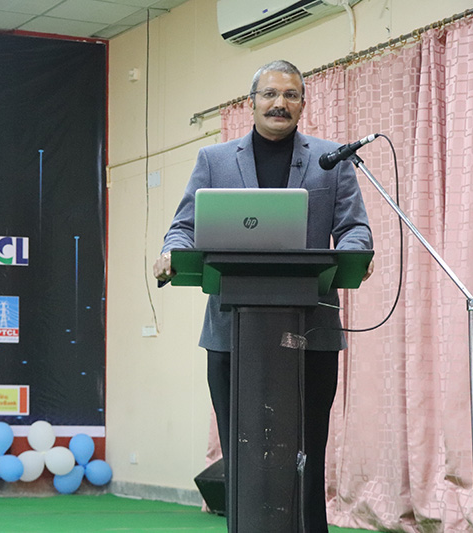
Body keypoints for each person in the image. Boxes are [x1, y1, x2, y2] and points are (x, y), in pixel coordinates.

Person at [153, 60, 374, 532]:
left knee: (307, 451)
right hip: (232, 333)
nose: (280, 103)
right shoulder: (213, 160)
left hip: (311, 331)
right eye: (270, 94)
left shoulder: (331, 160)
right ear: (251, 103)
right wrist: (171, 250)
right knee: (243, 452)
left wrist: (356, 252)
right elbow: (183, 227)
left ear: (303, 105)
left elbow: (354, 228)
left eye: (291, 95)